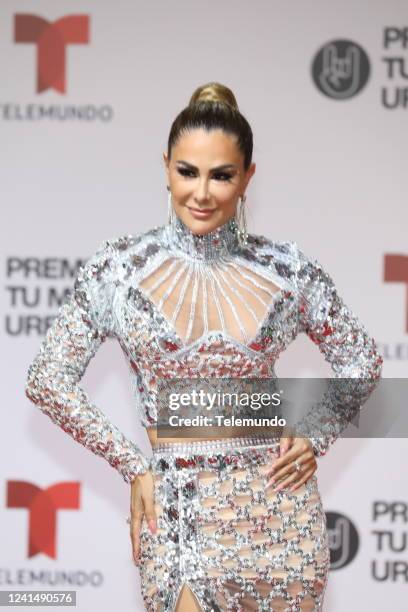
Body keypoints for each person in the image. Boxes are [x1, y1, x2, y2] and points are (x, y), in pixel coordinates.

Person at [25, 82, 383, 612]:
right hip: (177, 503)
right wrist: (134, 465)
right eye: (187, 172)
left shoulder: (286, 270)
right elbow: (47, 379)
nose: (202, 192)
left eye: (222, 175)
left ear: (248, 178)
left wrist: (314, 435)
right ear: (166, 165)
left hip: (277, 508)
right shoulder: (120, 268)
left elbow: (362, 359)